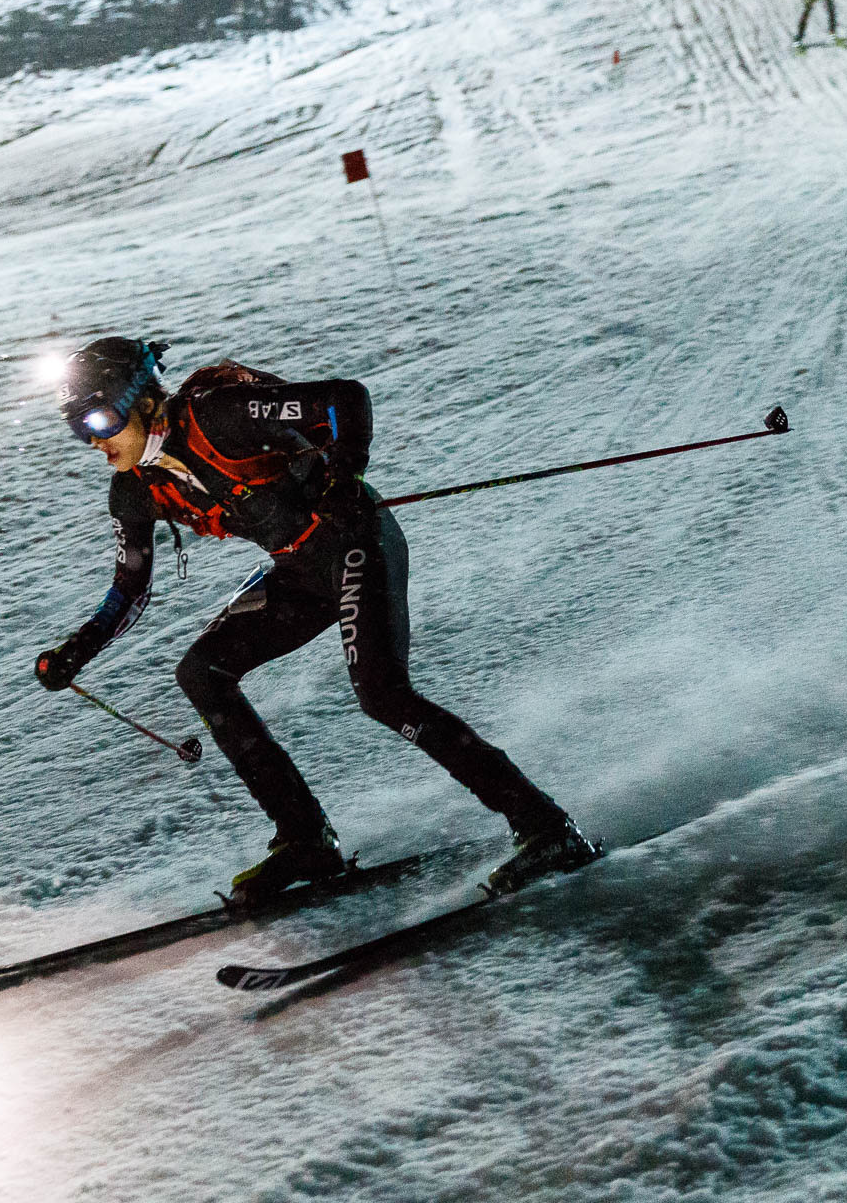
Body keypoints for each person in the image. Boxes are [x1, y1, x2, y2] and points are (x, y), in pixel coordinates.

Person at [34, 337, 596, 904]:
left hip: (356, 541)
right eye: (79, 430)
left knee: (382, 695)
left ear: (146, 401)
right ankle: (306, 841)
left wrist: (345, 477)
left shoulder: (217, 416)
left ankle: (546, 828)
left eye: (101, 421)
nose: (94, 442)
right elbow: (131, 586)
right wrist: (78, 650)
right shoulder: (133, 490)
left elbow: (345, 401)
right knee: (202, 672)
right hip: (298, 571)